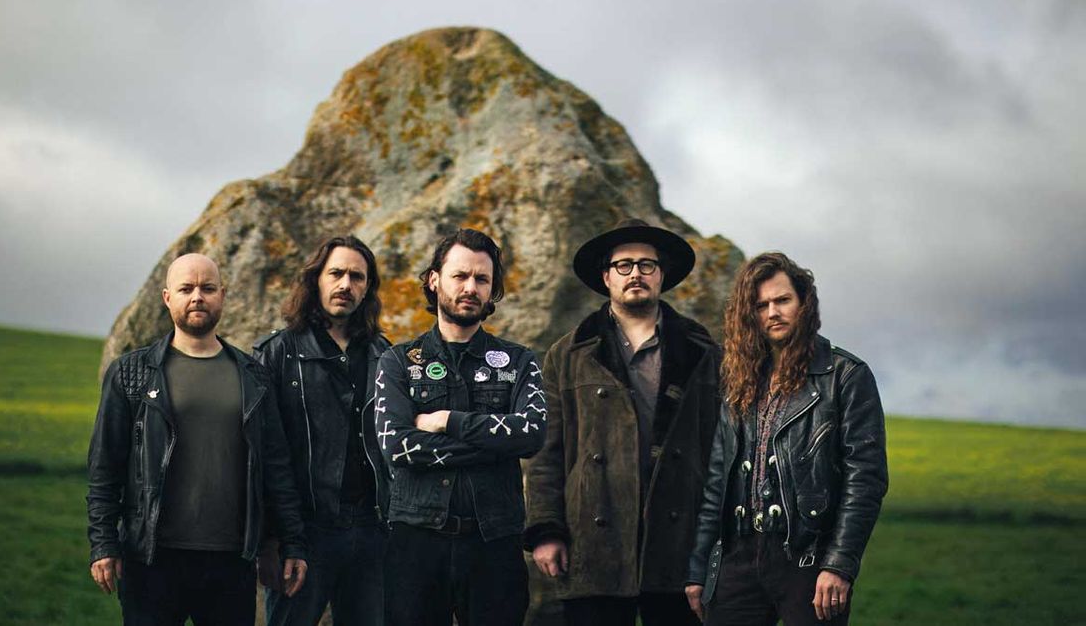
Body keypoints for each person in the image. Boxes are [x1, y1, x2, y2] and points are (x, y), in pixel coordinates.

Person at [86, 253, 308, 625]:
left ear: (223, 295)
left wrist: (291, 542)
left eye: (207, 288)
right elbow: (104, 466)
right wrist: (103, 543)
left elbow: (276, 467)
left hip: (231, 561)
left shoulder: (253, 376)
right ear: (167, 297)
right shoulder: (131, 374)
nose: (197, 297)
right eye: (186, 288)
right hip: (151, 559)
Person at [524, 218, 722, 626]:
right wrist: (546, 530)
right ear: (606, 276)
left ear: (661, 275)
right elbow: (547, 451)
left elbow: (720, 447)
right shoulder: (569, 352)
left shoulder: (702, 351)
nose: (636, 273)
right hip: (593, 538)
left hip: (677, 538)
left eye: (647, 265)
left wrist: (716, 540)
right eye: (624, 265)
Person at [685, 252, 888, 625]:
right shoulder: (738, 380)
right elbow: (717, 479)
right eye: (761, 305)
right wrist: (699, 568)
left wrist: (839, 565)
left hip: (808, 560)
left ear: (804, 303)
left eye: (782, 300)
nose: (772, 312)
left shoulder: (844, 376)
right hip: (737, 558)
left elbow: (866, 479)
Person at [373, 228, 547, 626]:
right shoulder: (398, 362)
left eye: (482, 279)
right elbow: (398, 447)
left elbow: (531, 434)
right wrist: (496, 441)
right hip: (415, 542)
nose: (471, 287)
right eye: (460, 276)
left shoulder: (520, 361)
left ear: (492, 290)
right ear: (434, 281)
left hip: (495, 543)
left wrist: (447, 422)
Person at [253, 236, 392, 626]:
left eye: (357, 277)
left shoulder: (385, 356)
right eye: (336, 273)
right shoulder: (277, 353)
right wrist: (273, 539)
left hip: (370, 533)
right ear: (316, 280)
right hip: (303, 533)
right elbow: (263, 454)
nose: (346, 284)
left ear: (368, 288)